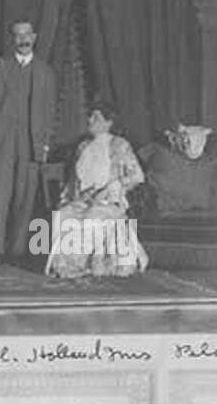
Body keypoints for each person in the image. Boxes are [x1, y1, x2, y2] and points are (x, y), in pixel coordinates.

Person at [0, 20, 57, 265]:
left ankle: (17, 250)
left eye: (27, 34)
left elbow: (50, 112)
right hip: (2, 142)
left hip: (31, 144)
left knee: (25, 197)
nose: (23, 39)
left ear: (35, 37)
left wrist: (45, 145)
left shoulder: (45, 71)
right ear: (12, 39)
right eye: (18, 35)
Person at [46, 100, 148, 279]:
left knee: (93, 215)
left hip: (108, 201)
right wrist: (70, 197)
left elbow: (137, 176)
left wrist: (112, 187)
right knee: (64, 213)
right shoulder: (83, 146)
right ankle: (68, 266)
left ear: (108, 123)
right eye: (90, 116)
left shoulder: (119, 145)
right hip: (84, 200)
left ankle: (94, 265)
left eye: (96, 117)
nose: (90, 120)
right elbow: (73, 181)